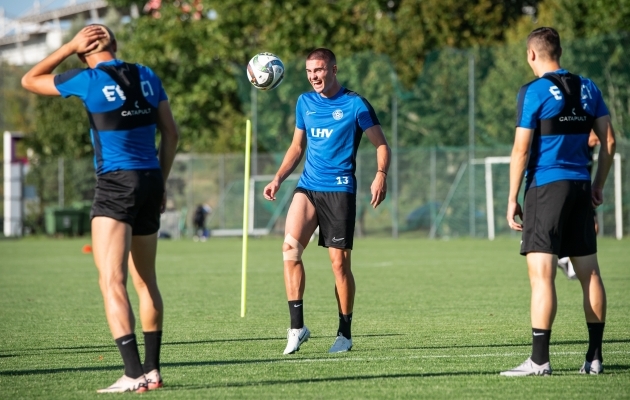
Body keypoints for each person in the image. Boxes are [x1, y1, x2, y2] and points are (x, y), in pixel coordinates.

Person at [22, 25, 179, 392]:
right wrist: (161, 182)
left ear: (82, 52)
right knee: (146, 281)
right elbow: (171, 133)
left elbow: (31, 79)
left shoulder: (87, 79)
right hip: (151, 177)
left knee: (112, 280)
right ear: (117, 45)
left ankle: (133, 374)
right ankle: (152, 371)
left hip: (116, 183)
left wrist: (67, 47)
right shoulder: (148, 74)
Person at [503, 27, 616, 377]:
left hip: (546, 188)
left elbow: (521, 148)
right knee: (590, 273)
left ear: (531, 55)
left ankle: (539, 361)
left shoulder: (534, 91)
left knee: (542, 276)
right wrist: (598, 184)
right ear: (560, 52)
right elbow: (609, 141)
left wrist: (512, 198)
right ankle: (594, 358)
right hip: (581, 186)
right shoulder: (589, 87)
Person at [263, 48, 391, 355]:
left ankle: (344, 334)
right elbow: (297, 147)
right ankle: (297, 328)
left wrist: (380, 174)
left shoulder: (355, 104)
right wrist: (279, 177)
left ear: (333, 69)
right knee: (289, 250)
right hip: (308, 186)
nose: (314, 77)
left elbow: (381, 144)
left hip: (340, 189)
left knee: (339, 266)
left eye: (319, 70)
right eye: (309, 72)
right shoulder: (304, 102)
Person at [557, 131, 600, 280]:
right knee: (586, 227)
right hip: (572, 188)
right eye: (596, 137)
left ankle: (564, 260)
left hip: (584, 190)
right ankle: (568, 264)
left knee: (592, 227)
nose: (598, 141)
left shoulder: (590, 149)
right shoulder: (575, 145)